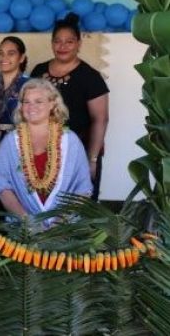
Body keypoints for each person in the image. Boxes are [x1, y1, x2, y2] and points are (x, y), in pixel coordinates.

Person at [30, 13, 109, 200]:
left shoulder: (90, 77)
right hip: (41, 152)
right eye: (57, 41)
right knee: (42, 205)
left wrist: (92, 159)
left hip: (79, 152)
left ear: (79, 43)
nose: (62, 47)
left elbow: (101, 119)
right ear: (51, 43)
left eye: (69, 42)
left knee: (76, 208)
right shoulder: (39, 71)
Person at [0, 79, 92, 225]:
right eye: (26, 102)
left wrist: (59, 223)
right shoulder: (10, 142)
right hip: (22, 231)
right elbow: (2, 187)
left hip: (65, 231)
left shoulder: (70, 141)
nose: (31, 107)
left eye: (38, 101)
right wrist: (28, 222)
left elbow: (83, 189)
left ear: (52, 104)